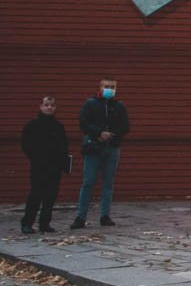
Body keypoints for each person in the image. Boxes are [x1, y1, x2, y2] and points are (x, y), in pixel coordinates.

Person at [71, 77, 130, 229]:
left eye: (112, 87)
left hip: (112, 147)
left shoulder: (119, 106)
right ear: (100, 87)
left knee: (108, 183)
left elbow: (125, 126)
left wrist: (112, 134)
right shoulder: (90, 103)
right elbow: (83, 123)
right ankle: (81, 217)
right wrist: (99, 133)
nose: (109, 89)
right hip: (93, 147)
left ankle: (105, 215)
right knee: (88, 182)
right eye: (107, 86)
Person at [21, 95, 69, 234]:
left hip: (55, 167)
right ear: (41, 106)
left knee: (50, 196)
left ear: (55, 107)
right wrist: (35, 158)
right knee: (36, 195)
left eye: (52, 105)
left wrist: (62, 161)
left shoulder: (58, 126)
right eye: (46, 105)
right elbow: (26, 145)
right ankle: (27, 223)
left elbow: (64, 145)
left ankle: (44, 224)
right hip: (39, 166)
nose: (49, 107)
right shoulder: (32, 125)